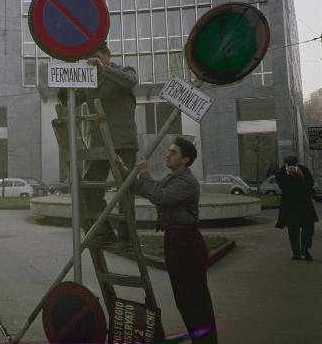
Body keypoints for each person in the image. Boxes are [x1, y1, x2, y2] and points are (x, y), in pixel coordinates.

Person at [116, 137, 217, 344]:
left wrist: (144, 172)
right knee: (184, 299)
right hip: (177, 242)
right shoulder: (172, 178)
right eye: (169, 151)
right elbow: (147, 189)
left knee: (194, 300)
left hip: (186, 243)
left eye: (174, 152)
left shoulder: (186, 182)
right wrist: (126, 170)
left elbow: (159, 196)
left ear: (185, 160)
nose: (168, 154)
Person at [59, 43, 138, 247]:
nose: (93, 61)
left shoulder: (124, 71)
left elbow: (130, 82)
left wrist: (103, 68)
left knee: (125, 191)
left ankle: (127, 238)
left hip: (123, 142)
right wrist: (62, 82)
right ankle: (104, 232)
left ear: (108, 55)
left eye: (97, 56)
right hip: (99, 144)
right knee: (89, 189)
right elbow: (72, 100)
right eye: (90, 58)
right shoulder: (89, 81)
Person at [275, 155, 318, 260]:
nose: (292, 167)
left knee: (309, 228)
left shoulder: (304, 170)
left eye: (294, 164)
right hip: (290, 207)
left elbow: (309, 185)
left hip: (304, 205)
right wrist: (289, 175)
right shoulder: (280, 173)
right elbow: (284, 188)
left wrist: (301, 176)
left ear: (296, 163)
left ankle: (305, 249)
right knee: (293, 231)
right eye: (289, 165)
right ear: (285, 164)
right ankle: (296, 253)